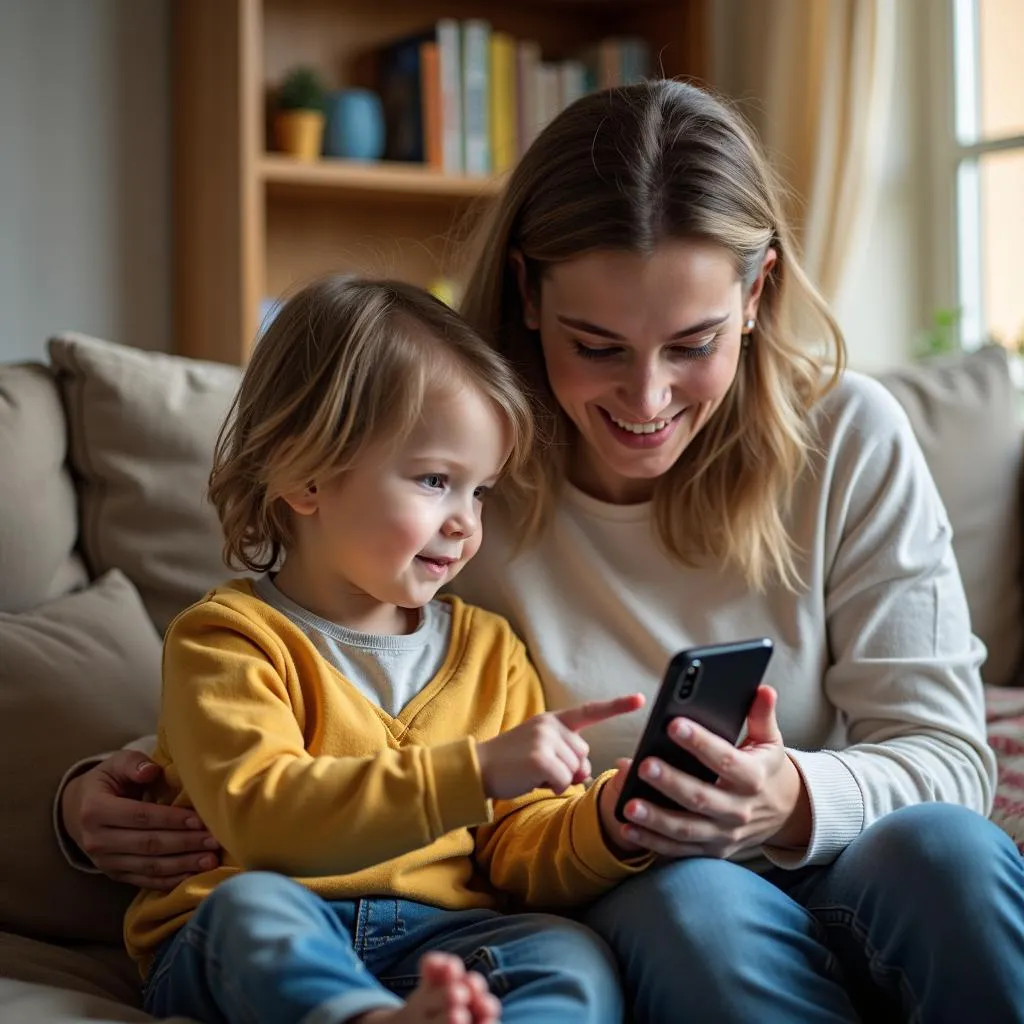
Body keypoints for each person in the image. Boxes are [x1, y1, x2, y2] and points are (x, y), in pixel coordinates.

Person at [59, 81, 1024, 1023]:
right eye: (597, 346)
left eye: (692, 343)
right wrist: (92, 800)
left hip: (832, 855)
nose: (646, 402)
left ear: (756, 291)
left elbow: (946, 754)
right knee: (699, 908)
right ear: (526, 289)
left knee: (951, 853)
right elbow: (318, 664)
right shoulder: (457, 451)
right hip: (650, 888)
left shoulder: (850, 436)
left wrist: (793, 797)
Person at [117, 275, 651, 1024]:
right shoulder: (226, 641)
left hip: (441, 933)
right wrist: (476, 770)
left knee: (568, 956)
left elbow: (515, 852)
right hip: (265, 926)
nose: (466, 523)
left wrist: (605, 822)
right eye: (436, 480)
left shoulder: (491, 651)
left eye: (480, 491)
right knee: (250, 913)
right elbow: (265, 820)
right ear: (306, 474)